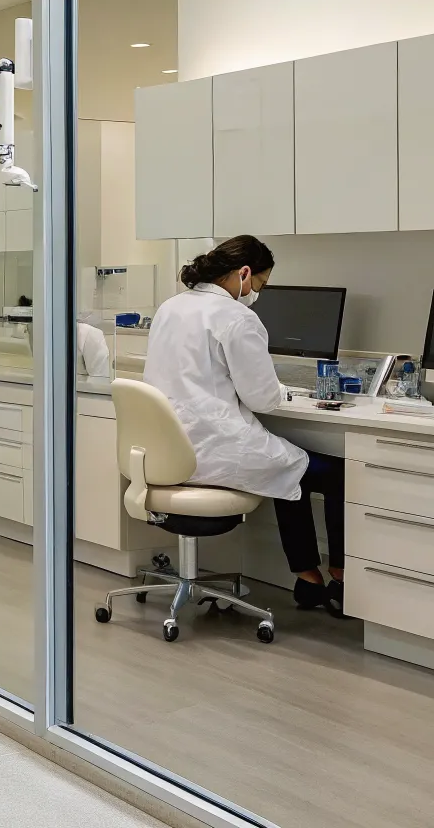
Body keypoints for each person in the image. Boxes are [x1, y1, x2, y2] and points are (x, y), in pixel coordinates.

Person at [142, 235, 346, 615]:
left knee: (291, 468)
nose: (257, 294)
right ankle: (339, 575)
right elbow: (262, 398)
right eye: (261, 285)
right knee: (333, 473)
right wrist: (285, 392)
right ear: (245, 273)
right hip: (212, 449)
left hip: (168, 452)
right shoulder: (237, 317)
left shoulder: (171, 307)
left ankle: (308, 578)